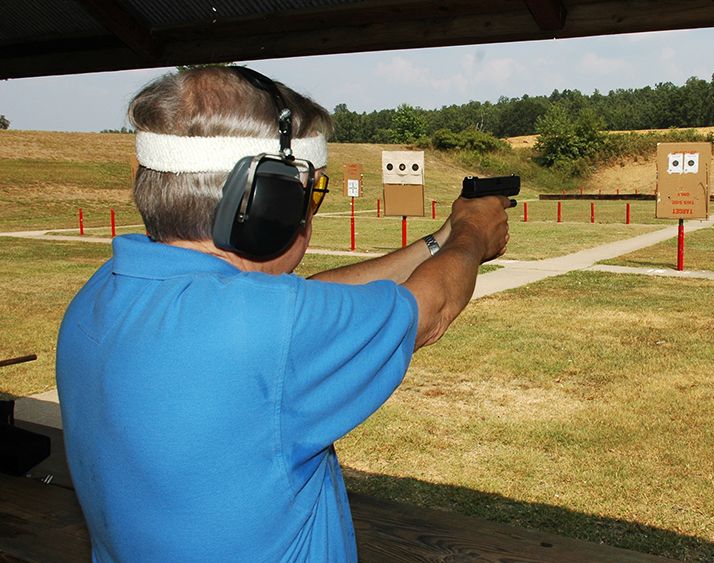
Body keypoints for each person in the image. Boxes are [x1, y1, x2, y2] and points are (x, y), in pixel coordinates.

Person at [56, 66, 510, 561]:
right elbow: (432, 308)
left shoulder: (107, 290)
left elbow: (306, 298)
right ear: (269, 202)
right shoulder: (270, 327)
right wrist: (473, 237)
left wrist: (439, 240)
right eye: (310, 194)